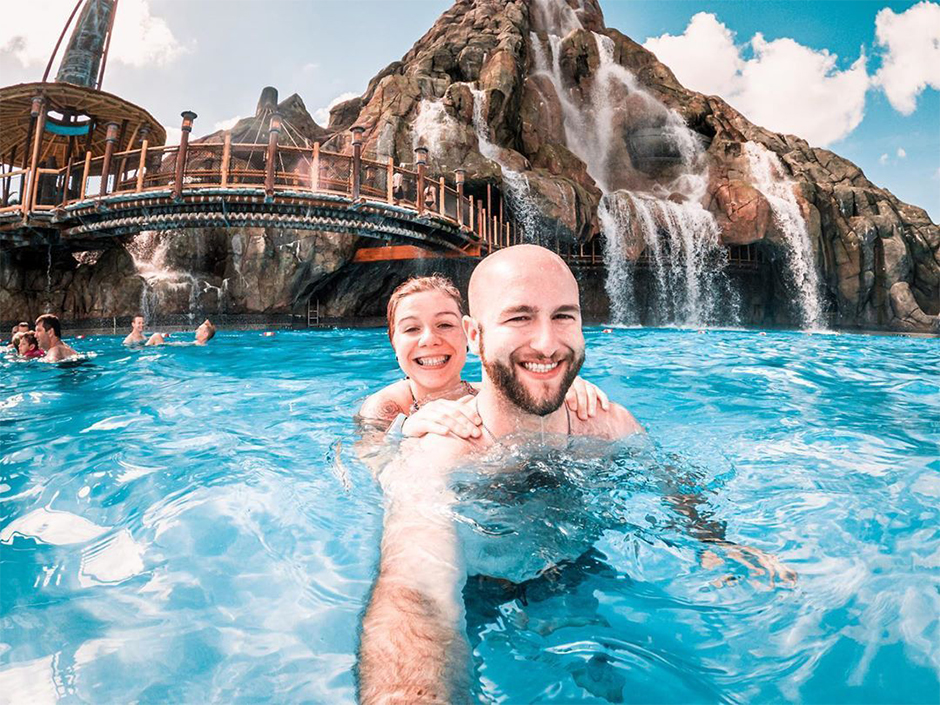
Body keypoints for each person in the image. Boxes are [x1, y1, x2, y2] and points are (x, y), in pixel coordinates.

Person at [356, 245, 794, 704]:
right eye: (519, 318)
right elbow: (415, 591)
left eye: (563, 316)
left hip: (574, 568)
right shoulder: (438, 448)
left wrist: (712, 541)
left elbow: (669, 477)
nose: (547, 342)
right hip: (479, 586)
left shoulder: (607, 421)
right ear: (477, 335)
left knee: (602, 684)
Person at [357, 275, 609, 442]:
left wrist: (557, 383)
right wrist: (404, 431)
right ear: (393, 343)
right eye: (412, 329)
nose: (429, 340)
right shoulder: (385, 408)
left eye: (444, 324)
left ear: (470, 335)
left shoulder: (486, 394)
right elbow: (372, 471)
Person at [146, 319, 215, 346]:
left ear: (205, 334)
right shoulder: (198, 343)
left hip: (168, 349)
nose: (196, 330)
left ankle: (143, 348)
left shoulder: (199, 345)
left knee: (156, 335)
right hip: (169, 347)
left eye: (199, 329)